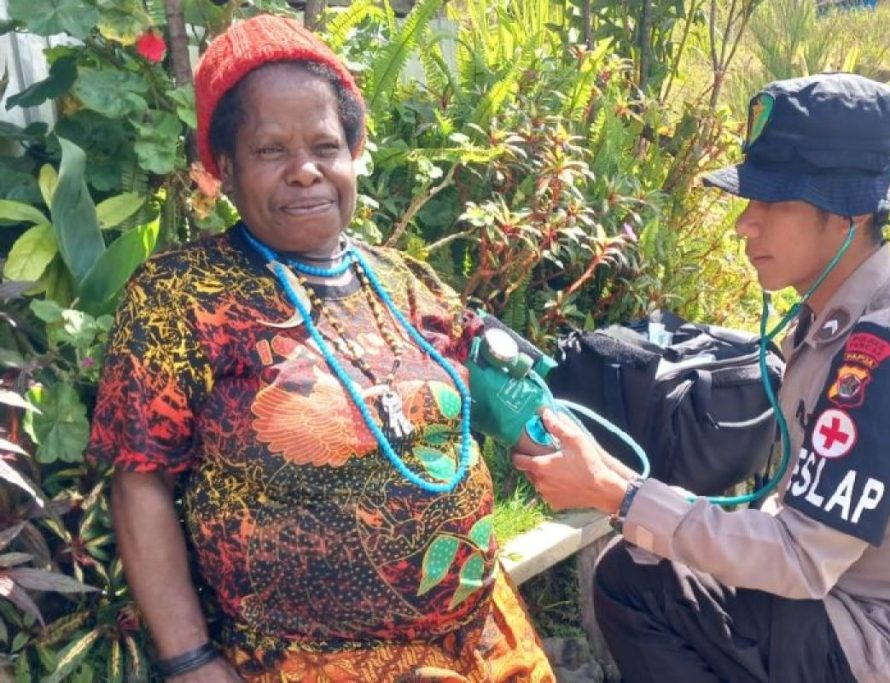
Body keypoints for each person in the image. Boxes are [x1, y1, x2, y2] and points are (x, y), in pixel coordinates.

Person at [87, 14, 554, 683]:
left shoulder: (403, 278)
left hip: (484, 642)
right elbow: (141, 482)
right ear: (224, 166)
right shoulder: (181, 296)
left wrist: (543, 426)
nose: (305, 171)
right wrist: (189, 660)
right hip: (310, 663)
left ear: (354, 153)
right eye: (271, 150)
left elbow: (495, 381)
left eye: (325, 146)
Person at [514, 73, 890, 683]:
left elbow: (800, 559)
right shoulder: (831, 324)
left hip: (883, 645)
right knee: (638, 561)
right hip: (839, 602)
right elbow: (792, 525)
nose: (747, 223)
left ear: (848, 211)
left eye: (773, 201)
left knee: (639, 581)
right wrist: (615, 484)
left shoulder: (889, 361)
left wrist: (618, 494)